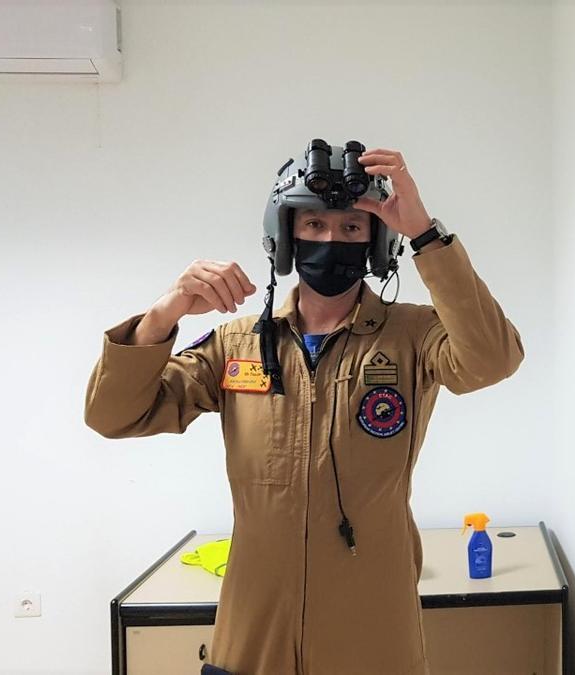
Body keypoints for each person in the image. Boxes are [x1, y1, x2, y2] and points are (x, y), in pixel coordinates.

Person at [84, 144, 524, 674]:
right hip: (256, 622)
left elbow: (492, 361)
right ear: (287, 236)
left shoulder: (414, 334)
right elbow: (114, 415)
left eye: (351, 228)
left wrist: (426, 234)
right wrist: (166, 311)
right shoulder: (238, 343)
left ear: (376, 240)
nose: (331, 240)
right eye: (314, 224)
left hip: (372, 621)